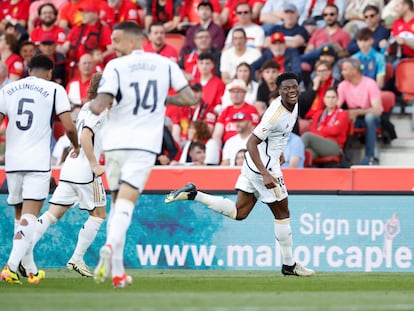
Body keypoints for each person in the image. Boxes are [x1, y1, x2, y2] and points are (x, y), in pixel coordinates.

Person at [165, 72, 315, 277]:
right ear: (278, 92)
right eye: (286, 89)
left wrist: (278, 152)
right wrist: (265, 174)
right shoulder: (275, 114)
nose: (291, 91)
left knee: (239, 212)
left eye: (294, 87)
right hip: (264, 166)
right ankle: (289, 265)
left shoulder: (294, 104)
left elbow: (280, 135)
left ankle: (194, 194)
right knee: (282, 214)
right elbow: (251, 142)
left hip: (258, 163)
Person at [90, 21, 195, 288]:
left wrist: (91, 105)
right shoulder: (165, 64)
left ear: (133, 41)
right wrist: (163, 99)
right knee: (127, 201)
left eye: (116, 40)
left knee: (117, 202)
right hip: (143, 144)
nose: (112, 46)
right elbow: (189, 98)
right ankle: (111, 246)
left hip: (114, 144)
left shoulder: (114, 66)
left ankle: (116, 272)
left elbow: (101, 103)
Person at [0, 54, 80, 285]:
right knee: (30, 217)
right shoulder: (55, 89)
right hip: (37, 161)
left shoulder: (9, 89)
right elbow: (68, 125)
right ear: (49, 72)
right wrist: (75, 146)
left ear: (28, 69)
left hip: (13, 162)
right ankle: (11, 267)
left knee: (20, 218)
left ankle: (31, 270)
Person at [20, 73, 107, 278]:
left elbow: (78, 133)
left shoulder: (87, 106)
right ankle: (77, 258)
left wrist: (74, 146)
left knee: (53, 214)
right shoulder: (99, 111)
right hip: (86, 171)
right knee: (98, 215)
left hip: (70, 168)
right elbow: (86, 136)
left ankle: (23, 253)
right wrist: (94, 164)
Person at [337, 58, 382, 165]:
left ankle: (369, 156)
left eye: (345, 70)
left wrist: (357, 112)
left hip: (371, 116)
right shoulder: (342, 85)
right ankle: (341, 157)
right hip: (354, 116)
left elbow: (378, 110)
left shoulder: (370, 83)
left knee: (369, 118)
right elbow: (337, 107)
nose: (342, 72)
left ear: (355, 70)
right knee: (342, 116)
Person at [301, 87, 350, 160]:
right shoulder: (319, 114)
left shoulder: (343, 114)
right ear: (324, 100)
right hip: (319, 144)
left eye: (333, 97)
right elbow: (313, 130)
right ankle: (291, 167)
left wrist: (321, 129)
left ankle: (289, 159)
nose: (330, 100)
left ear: (337, 99)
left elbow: (335, 130)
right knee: (308, 153)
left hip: (335, 146)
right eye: (328, 97)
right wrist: (325, 132)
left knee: (307, 136)